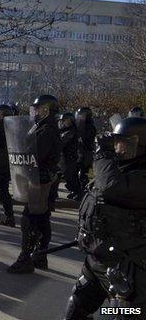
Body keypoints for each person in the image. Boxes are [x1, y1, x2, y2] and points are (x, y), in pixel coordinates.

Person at [63, 117, 146, 319]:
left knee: (121, 313)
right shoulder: (118, 169)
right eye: (118, 143)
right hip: (98, 259)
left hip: (129, 268)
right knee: (76, 308)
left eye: (127, 144)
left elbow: (112, 188)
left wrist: (103, 153)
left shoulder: (139, 175)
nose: (120, 149)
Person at [7, 95, 60, 274]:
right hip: (41, 178)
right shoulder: (44, 127)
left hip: (40, 179)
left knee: (29, 219)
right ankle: (40, 255)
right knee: (42, 217)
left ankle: (26, 258)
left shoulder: (46, 130)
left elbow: (35, 153)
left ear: (47, 110)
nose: (35, 112)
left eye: (38, 109)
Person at [54, 113, 82, 201]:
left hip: (70, 157)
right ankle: (73, 191)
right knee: (64, 175)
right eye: (62, 121)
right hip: (65, 157)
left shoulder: (71, 131)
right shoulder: (64, 130)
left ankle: (78, 192)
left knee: (70, 175)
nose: (63, 123)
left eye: (65, 120)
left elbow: (62, 142)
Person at [76, 107, 97, 197]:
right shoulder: (82, 126)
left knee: (83, 174)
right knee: (79, 172)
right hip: (82, 152)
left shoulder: (89, 127)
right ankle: (79, 191)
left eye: (82, 115)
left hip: (86, 153)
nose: (80, 117)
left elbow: (86, 140)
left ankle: (84, 193)